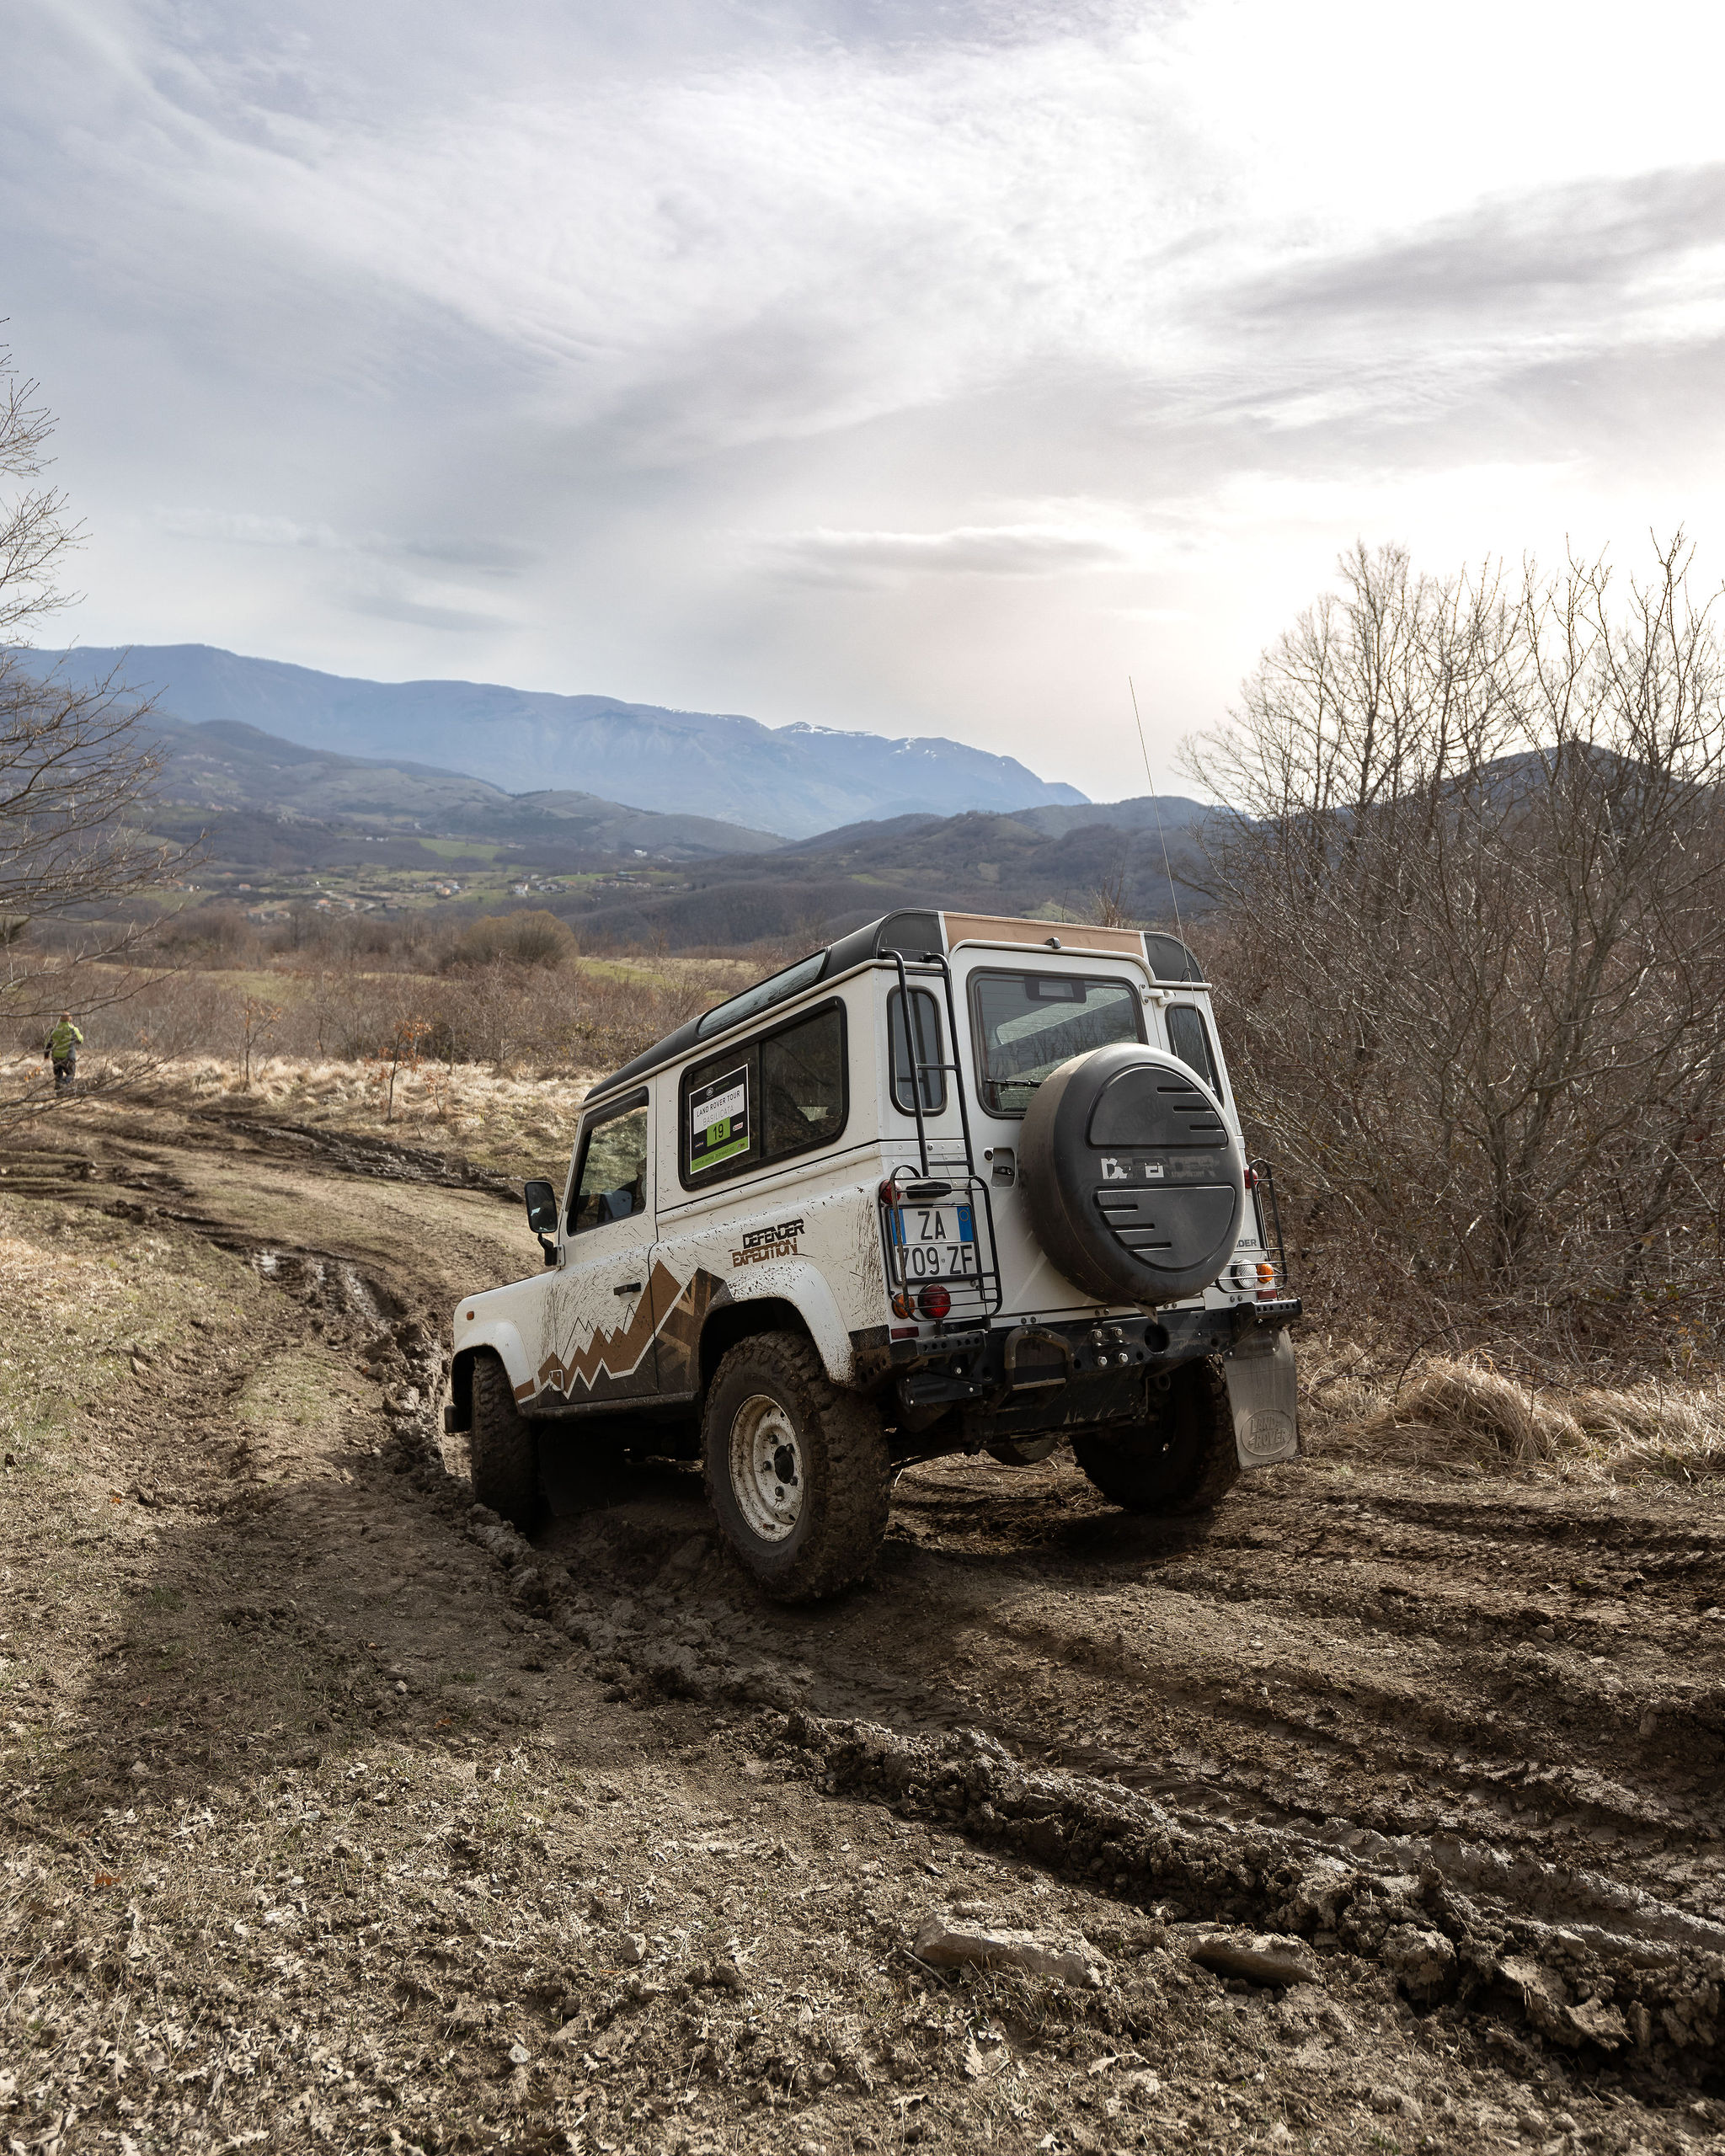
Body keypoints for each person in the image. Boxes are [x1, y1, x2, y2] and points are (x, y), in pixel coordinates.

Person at [44, 1012, 83, 1094]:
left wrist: (46, 1055)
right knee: (71, 1075)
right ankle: (63, 1084)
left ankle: (59, 1093)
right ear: (70, 1019)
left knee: (58, 1075)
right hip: (68, 1057)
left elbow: (48, 1043)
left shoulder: (54, 1030)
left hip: (56, 1057)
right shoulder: (73, 1029)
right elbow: (80, 1040)